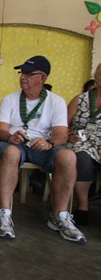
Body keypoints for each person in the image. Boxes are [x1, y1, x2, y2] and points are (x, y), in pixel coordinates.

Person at [0, 55, 86, 243]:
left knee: (68, 156)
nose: (22, 77)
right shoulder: (10, 99)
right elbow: (0, 131)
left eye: (28, 73)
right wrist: (11, 136)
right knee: (12, 151)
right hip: (14, 144)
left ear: (42, 78)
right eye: (22, 73)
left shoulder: (56, 101)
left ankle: (59, 216)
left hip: (43, 146)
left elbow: (61, 134)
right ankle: (4, 214)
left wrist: (50, 143)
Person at [67, 63, 101, 226]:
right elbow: (62, 124)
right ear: (95, 76)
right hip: (80, 141)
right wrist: (68, 135)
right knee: (83, 158)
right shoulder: (80, 99)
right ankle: (83, 204)